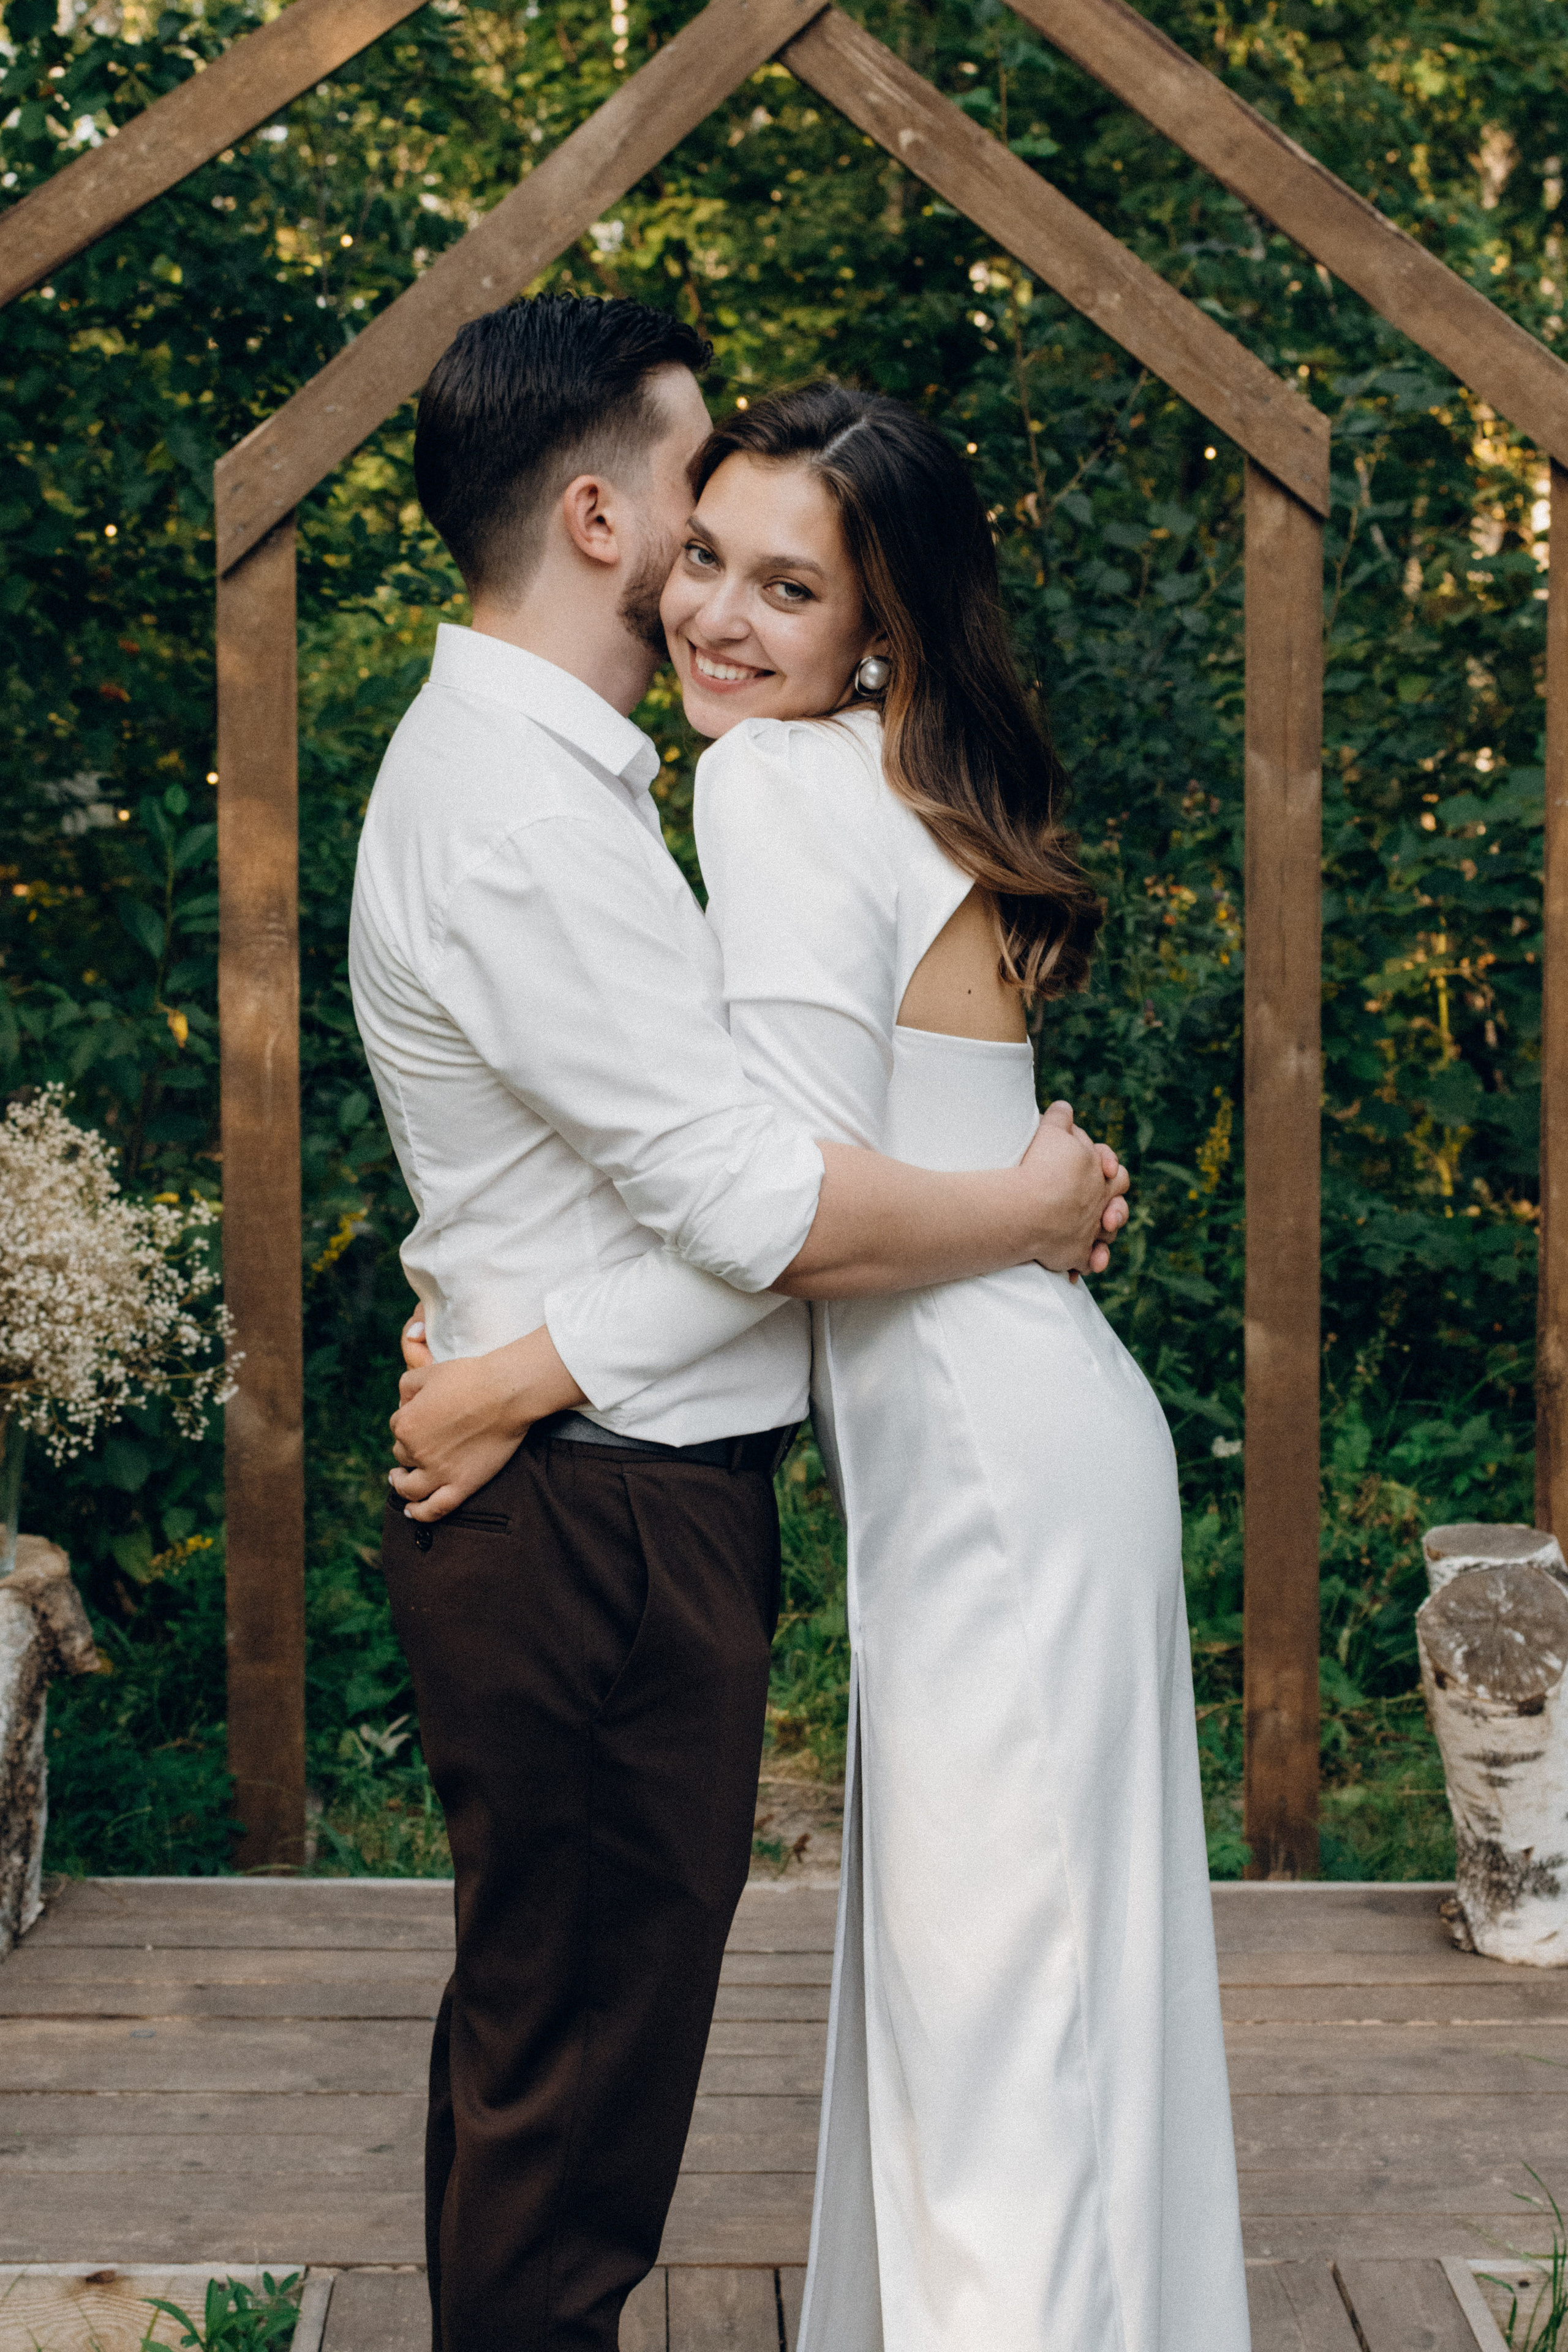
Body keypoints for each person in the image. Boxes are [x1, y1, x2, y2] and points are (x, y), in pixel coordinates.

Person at [391, 374, 1250, 2347]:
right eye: (708, 558)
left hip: (981, 1470)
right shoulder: (879, 766)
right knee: (1035, 2013)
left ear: (881, 631)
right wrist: (1029, 1213)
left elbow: (774, 1204)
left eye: (791, 590)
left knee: (1001, 2040)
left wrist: (511, 1372)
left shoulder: (773, 785)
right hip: (1032, 1432)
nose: (718, 619)